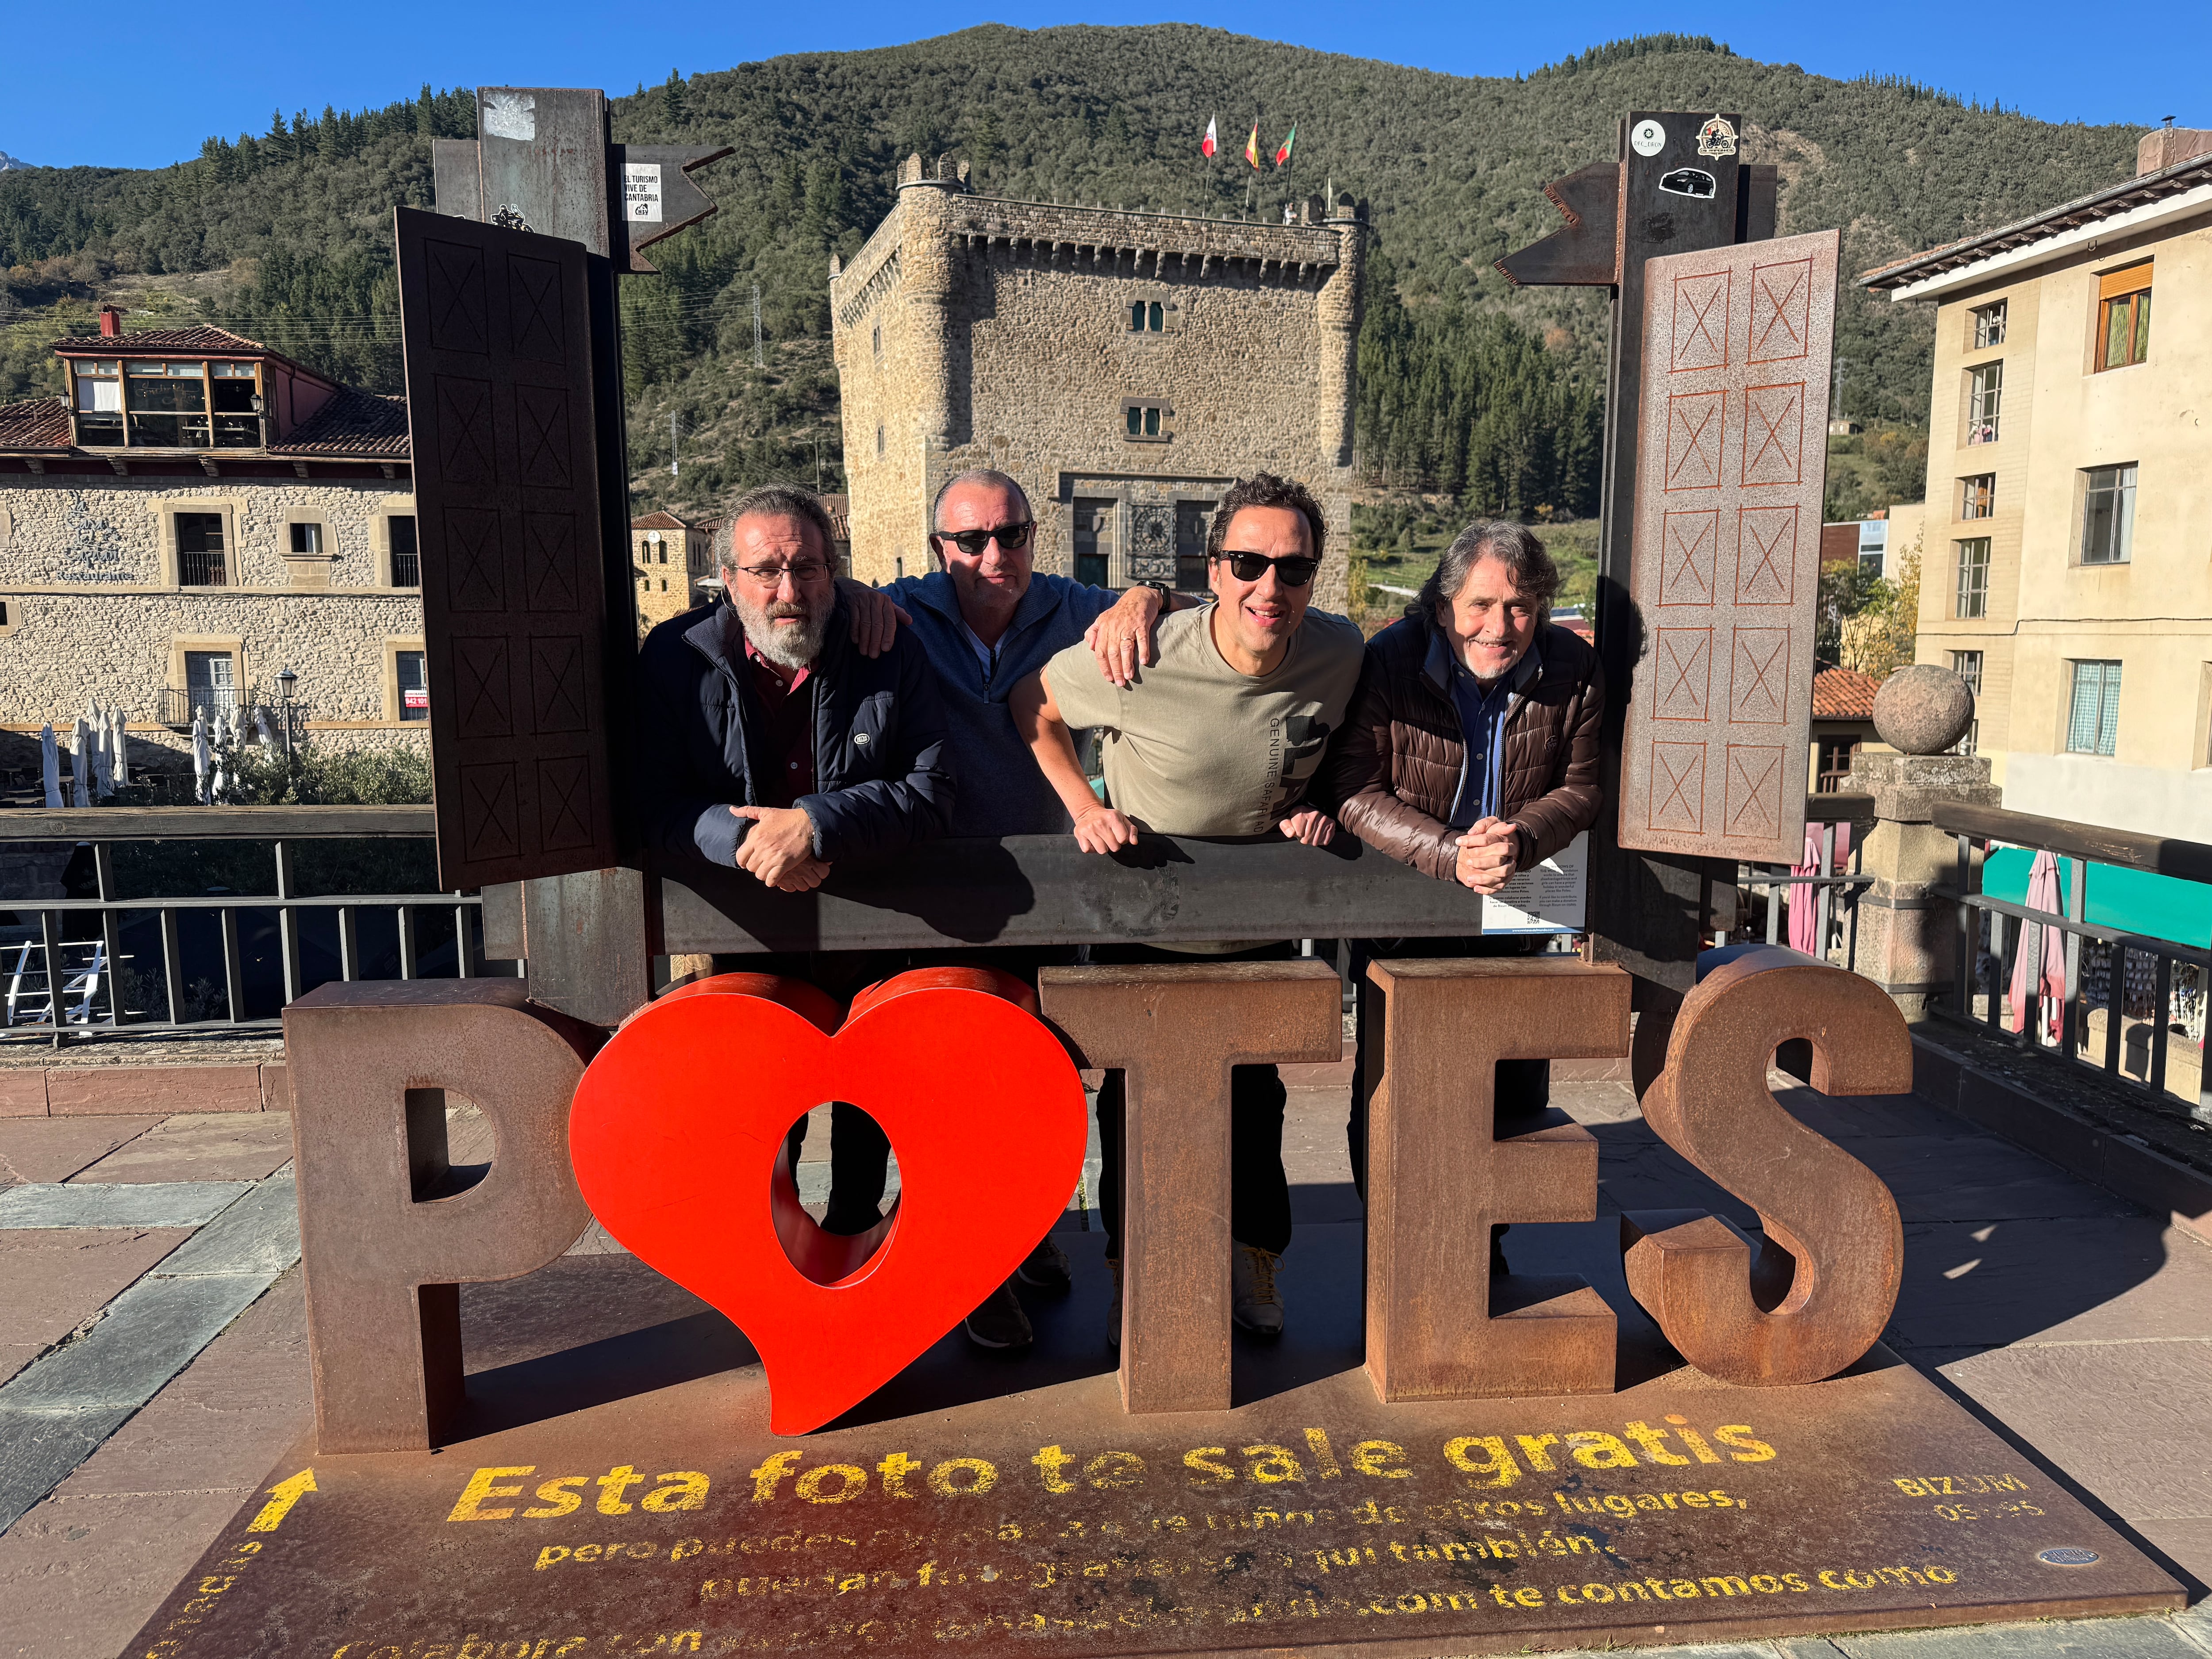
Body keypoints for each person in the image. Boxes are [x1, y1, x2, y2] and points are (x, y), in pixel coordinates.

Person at [831, 468, 1195, 1353]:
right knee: (925, 1086)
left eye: (1013, 535)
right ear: (938, 550)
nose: (995, 555)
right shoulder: (900, 608)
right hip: (926, 896)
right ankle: (949, 1271)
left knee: (1029, 1089)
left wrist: (1148, 594)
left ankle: (1013, 1242)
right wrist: (847, 593)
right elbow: (794, 597)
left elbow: (1207, 609)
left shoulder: (1077, 607)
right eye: (971, 541)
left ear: (1036, 534)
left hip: (1046, 894)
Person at [1011, 472, 1364, 1344]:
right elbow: (1033, 706)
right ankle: (1135, 1273)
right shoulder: (1147, 653)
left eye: (1292, 568)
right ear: (1213, 570)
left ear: (1314, 577)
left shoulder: (1341, 651)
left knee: (1257, 1106)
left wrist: (1335, 801)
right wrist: (1083, 807)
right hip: (1146, 927)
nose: (1268, 586)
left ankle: (1253, 1262)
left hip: (1259, 928)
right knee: (1134, 1112)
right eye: (1247, 562)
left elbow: (1365, 740)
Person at [635, 483, 954, 1237]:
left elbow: (935, 792)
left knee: (873, 1099)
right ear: (729, 581)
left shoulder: (887, 649)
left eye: (808, 568)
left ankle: (855, 1240)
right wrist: (746, 842)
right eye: (768, 571)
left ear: (835, 571)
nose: (790, 591)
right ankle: (774, 1264)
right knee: (762, 1114)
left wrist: (815, 825)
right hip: (747, 930)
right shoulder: (676, 660)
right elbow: (650, 805)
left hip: (874, 923)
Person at [1319, 520, 1604, 1263]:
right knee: (1393, 1089)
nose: (1499, 626)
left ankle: (1483, 1242)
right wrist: (1451, 854)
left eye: (1519, 607)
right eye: (1480, 605)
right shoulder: (1390, 659)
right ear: (1444, 603)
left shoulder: (1574, 666)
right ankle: (1393, 1237)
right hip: (1402, 907)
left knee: (1509, 1087)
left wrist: (1520, 839)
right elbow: (1352, 788)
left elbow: (1582, 788)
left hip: (1518, 907)